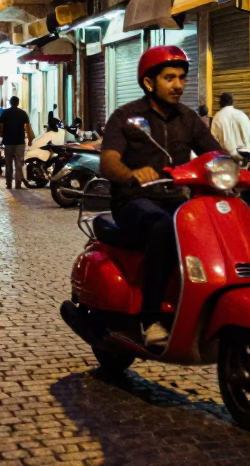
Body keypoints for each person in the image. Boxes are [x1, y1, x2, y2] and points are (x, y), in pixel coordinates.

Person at [100, 46, 222, 351]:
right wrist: (131, 174)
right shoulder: (127, 117)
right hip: (134, 200)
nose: (178, 85)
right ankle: (150, 319)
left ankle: (201, 303)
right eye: (169, 78)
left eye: (181, 77)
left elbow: (213, 152)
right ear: (149, 83)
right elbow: (109, 161)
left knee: (213, 224)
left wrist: (241, 168)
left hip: (174, 197)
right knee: (162, 227)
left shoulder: (188, 119)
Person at [0, 96, 33, 190]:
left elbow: (0, 126)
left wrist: (0, 138)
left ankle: (8, 183)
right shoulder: (23, 113)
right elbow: (28, 127)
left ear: (10, 103)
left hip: (8, 142)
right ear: (18, 103)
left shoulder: (5, 113)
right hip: (20, 142)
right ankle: (18, 185)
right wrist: (30, 139)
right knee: (19, 164)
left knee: (8, 164)